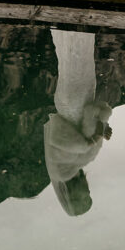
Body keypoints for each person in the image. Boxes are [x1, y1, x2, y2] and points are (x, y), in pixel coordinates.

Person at [44, 29, 112, 216]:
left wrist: (96, 135)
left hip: (75, 103)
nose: (88, 190)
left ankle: (76, 25)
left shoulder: (73, 162)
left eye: (85, 195)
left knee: (76, 60)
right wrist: (100, 128)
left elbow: (60, 137)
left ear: (76, 194)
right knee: (72, 60)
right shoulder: (69, 167)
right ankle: (68, 26)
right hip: (68, 102)